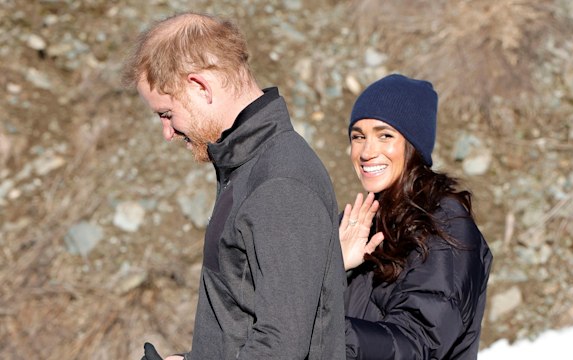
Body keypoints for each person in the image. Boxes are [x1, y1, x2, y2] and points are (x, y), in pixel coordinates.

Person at [122, 13, 346, 360]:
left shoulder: (280, 184)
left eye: (166, 114)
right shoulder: (245, 167)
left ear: (199, 86)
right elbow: (242, 320)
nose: (167, 133)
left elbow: (281, 346)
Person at [338, 74, 493, 360]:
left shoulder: (445, 228)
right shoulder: (361, 222)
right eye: (358, 137)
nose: (366, 152)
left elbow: (417, 343)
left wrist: (322, 333)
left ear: (414, 146)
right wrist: (335, 266)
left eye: (385, 135)